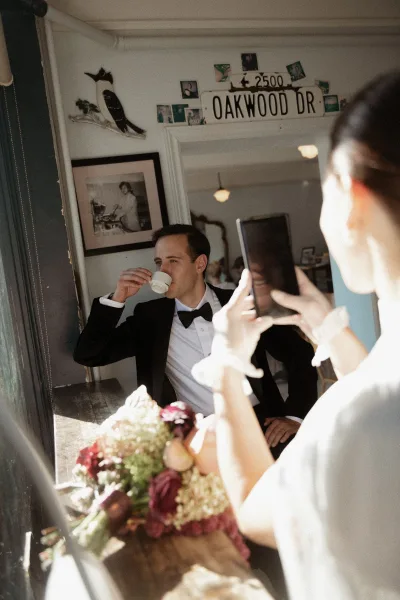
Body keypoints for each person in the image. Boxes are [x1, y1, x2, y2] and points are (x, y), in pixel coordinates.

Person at [203, 71, 400, 599]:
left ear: (352, 202)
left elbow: (255, 507)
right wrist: (328, 324)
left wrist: (226, 363)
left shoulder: (360, 421)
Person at [74, 224, 318, 455]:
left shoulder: (240, 303)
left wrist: (295, 416)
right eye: (159, 262)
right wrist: (118, 298)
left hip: (260, 425)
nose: (163, 271)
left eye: (173, 261)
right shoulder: (149, 318)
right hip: (192, 438)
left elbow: (300, 354)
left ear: (200, 263)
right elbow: (90, 354)